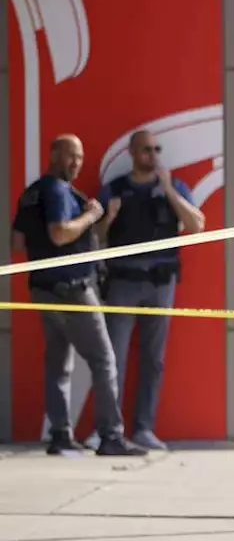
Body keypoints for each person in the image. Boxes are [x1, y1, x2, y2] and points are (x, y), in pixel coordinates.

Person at [10, 135, 147, 457]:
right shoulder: (57, 190)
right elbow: (59, 233)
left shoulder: (31, 193)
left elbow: (17, 242)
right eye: (71, 156)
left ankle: (60, 435)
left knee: (58, 363)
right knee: (104, 360)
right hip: (72, 290)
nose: (76, 164)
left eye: (80, 158)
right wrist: (91, 217)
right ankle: (111, 436)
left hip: (43, 289)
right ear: (54, 154)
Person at [93, 129, 206, 451]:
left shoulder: (173, 187)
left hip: (160, 283)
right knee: (113, 358)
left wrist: (169, 189)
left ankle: (144, 428)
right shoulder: (115, 190)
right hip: (122, 284)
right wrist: (109, 217)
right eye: (145, 149)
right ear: (132, 152)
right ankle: (108, 431)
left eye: (156, 149)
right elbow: (96, 239)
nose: (152, 155)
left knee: (153, 360)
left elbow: (197, 225)